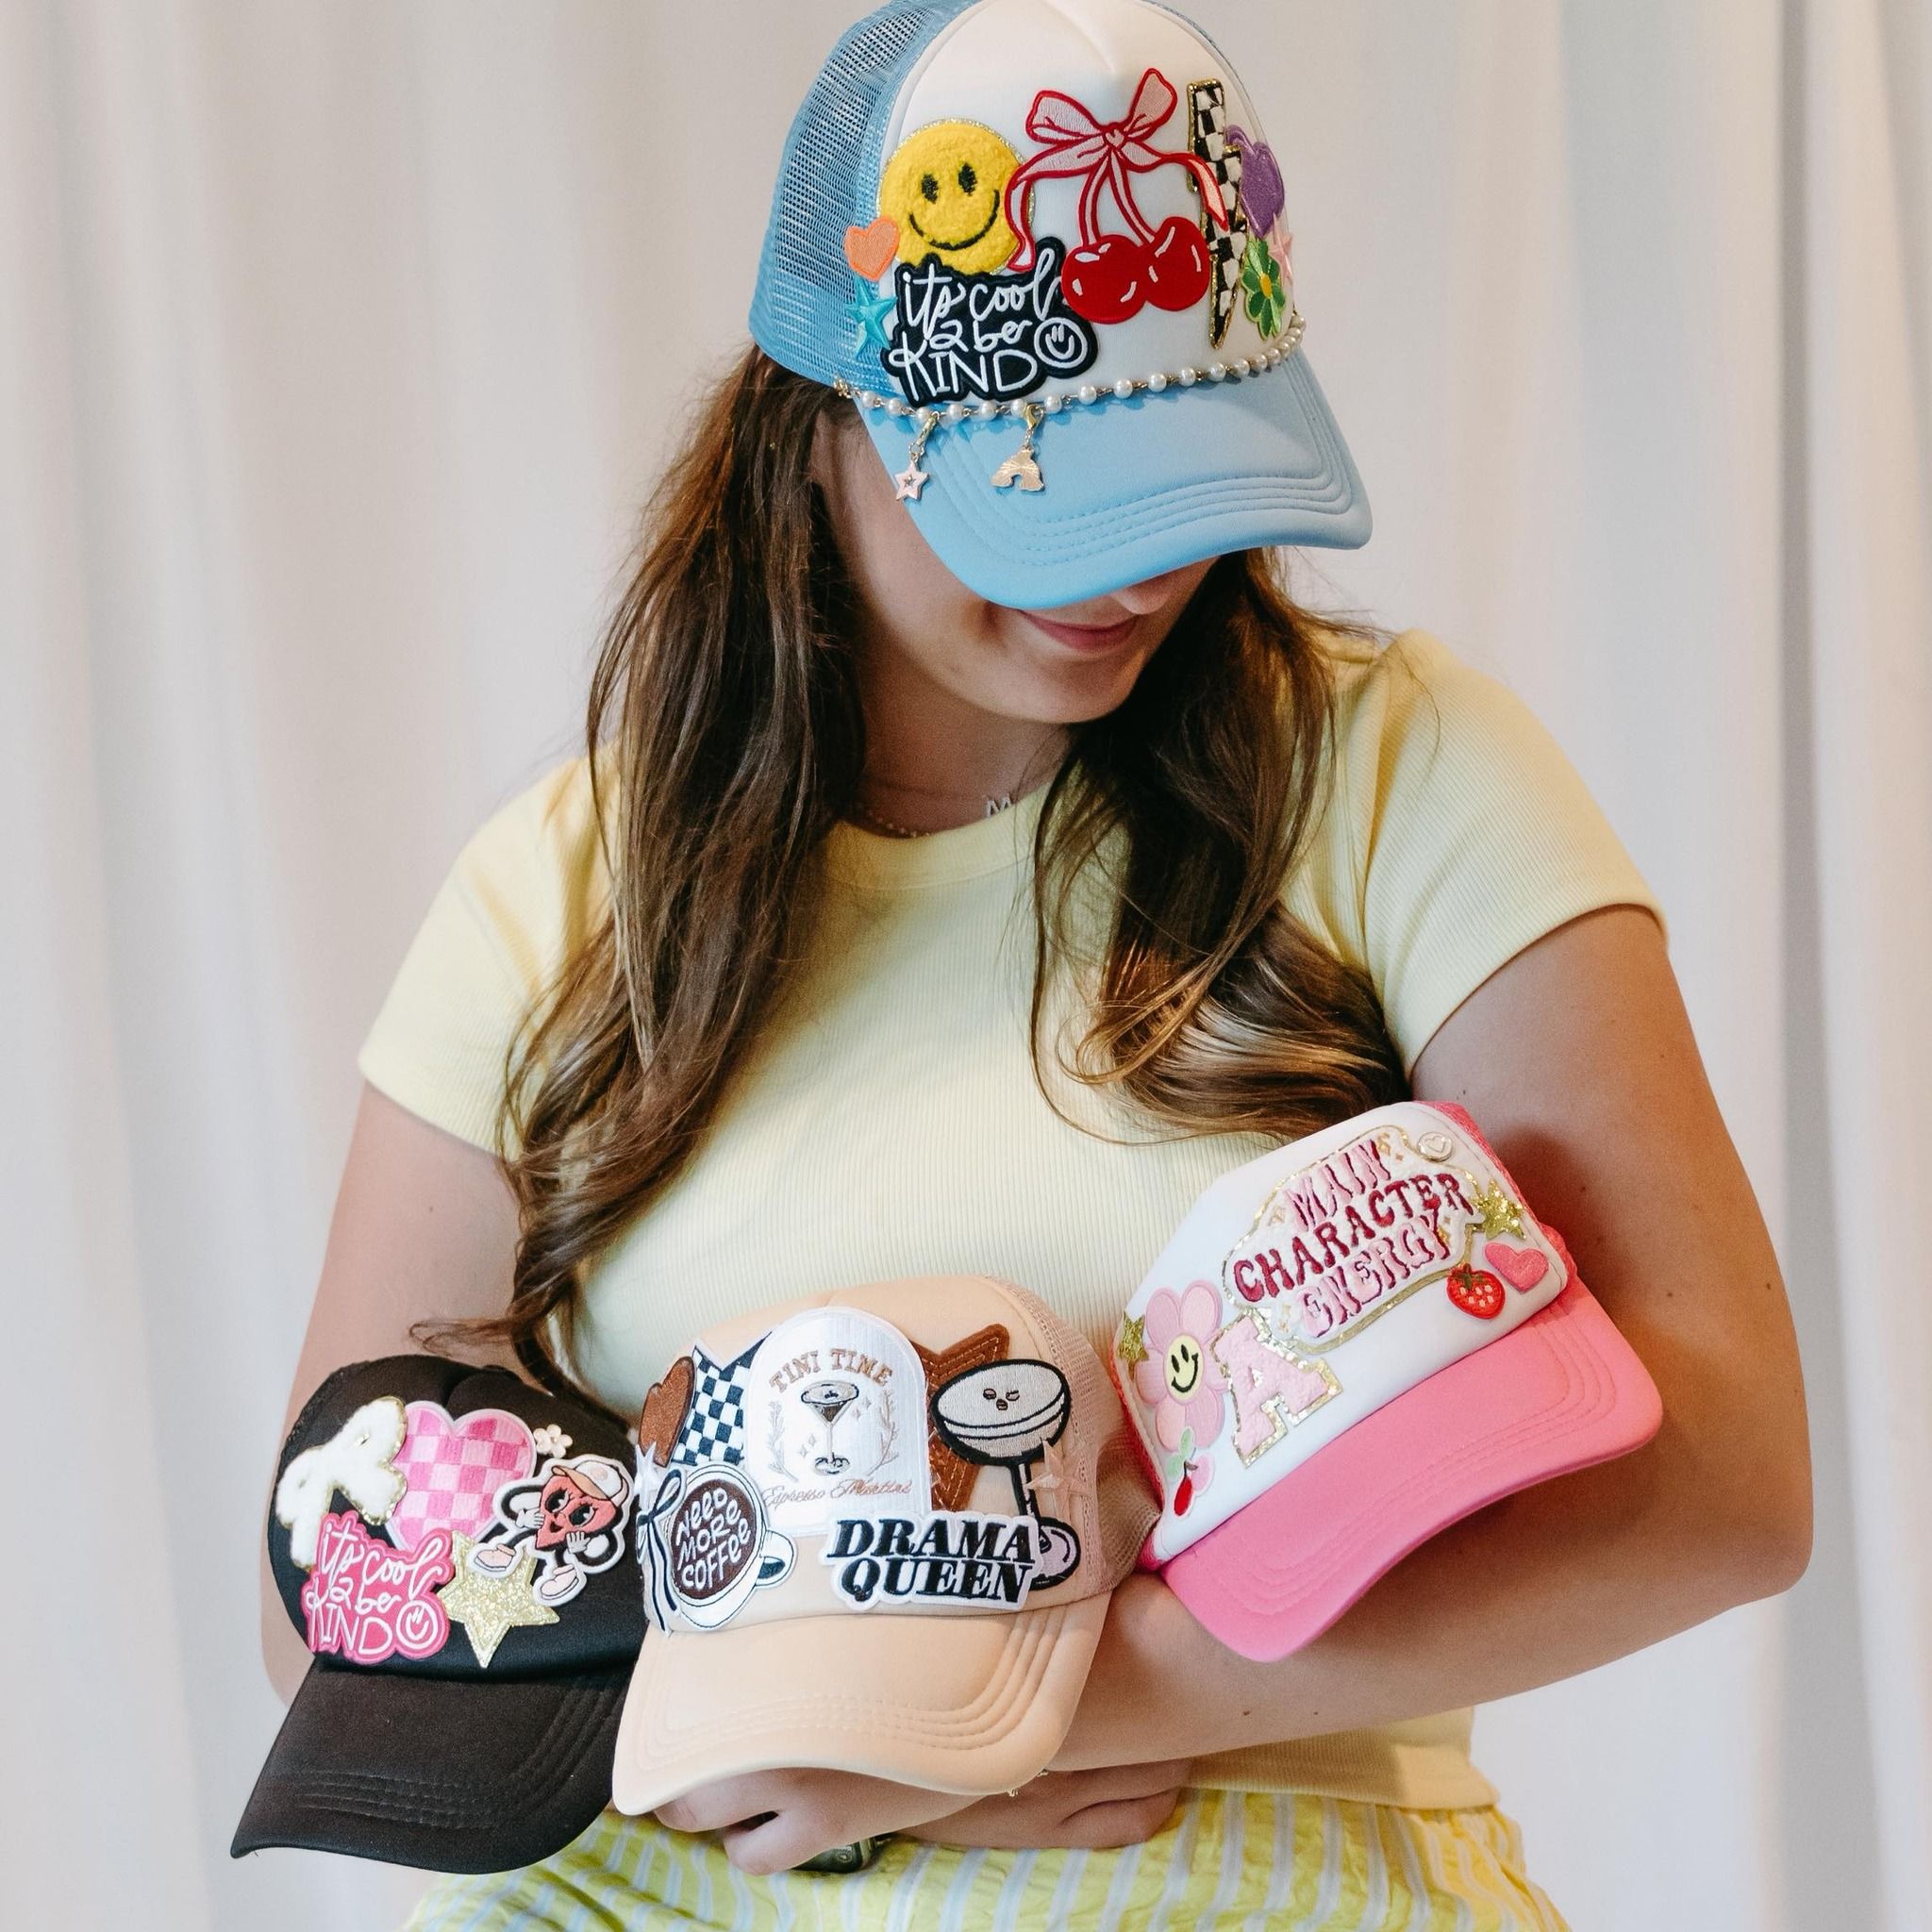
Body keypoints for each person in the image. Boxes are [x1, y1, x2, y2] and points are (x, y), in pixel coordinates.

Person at [260, 3, 1812, 1925]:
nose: (1139, 574)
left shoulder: (1397, 774)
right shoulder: (561, 899)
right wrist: (794, 1736)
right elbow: (336, 1585)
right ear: (813, 422)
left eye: (1189, 477)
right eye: (1048, 486)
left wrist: (1016, 1715)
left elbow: (1725, 1475)